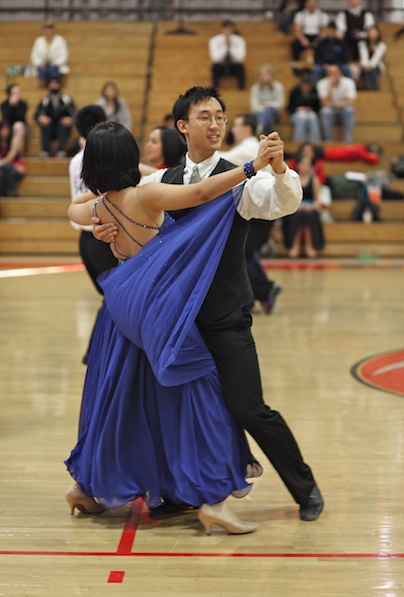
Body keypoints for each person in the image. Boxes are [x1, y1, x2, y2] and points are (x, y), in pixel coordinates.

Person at [93, 86, 324, 522]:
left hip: (223, 314)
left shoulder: (241, 179)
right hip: (175, 322)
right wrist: (99, 229)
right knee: (176, 408)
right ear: (183, 126)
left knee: (247, 407)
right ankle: (181, 492)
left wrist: (280, 168)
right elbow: (112, 208)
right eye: (205, 117)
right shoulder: (160, 182)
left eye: (220, 116)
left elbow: (283, 202)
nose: (215, 124)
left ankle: (305, 486)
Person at [65, 120, 283, 534]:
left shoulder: (100, 207)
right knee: (203, 398)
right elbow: (200, 193)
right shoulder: (146, 195)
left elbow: (73, 207)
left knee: (122, 403)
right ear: (130, 157)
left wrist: (95, 224)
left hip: (120, 314)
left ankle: (86, 489)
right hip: (159, 311)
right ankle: (214, 500)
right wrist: (251, 167)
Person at [69, 105, 118, 364]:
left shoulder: (75, 160)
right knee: (114, 296)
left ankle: (98, 351)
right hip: (102, 236)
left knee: (110, 297)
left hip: (85, 240)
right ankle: (95, 351)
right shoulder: (101, 157)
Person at [220, 113, 282, 314]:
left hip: (259, 211)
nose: (232, 129)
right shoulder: (249, 147)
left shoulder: (249, 147)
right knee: (245, 253)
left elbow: (217, 161)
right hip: (258, 210)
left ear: (247, 129)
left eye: (236, 125)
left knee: (239, 254)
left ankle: (265, 290)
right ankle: (253, 296)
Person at [282, 155, 324, 257]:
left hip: (309, 209)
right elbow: (287, 199)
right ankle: (294, 245)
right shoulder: (292, 180)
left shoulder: (314, 180)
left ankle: (309, 245)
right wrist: (296, 207)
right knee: (298, 216)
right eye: (303, 164)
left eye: (308, 164)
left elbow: (317, 202)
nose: (305, 166)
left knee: (308, 216)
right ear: (298, 165)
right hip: (294, 209)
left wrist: (310, 207)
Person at [34, 77, 76, 157]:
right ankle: (45, 151)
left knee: (62, 125)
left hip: (63, 128)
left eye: (55, 84)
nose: (53, 86)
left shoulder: (66, 99)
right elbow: (36, 114)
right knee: (45, 126)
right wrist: (41, 118)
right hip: (50, 128)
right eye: (51, 84)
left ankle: (60, 151)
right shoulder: (45, 100)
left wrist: (70, 119)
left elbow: (74, 113)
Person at [317, 64, 357, 142]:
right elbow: (324, 102)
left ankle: (348, 140)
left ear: (340, 73)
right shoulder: (322, 83)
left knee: (349, 110)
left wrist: (335, 105)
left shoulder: (349, 82)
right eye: (330, 73)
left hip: (343, 110)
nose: (332, 75)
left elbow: (351, 101)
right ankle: (328, 139)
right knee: (325, 111)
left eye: (334, 73)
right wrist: (331, 88)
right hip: (331, 111)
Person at [30, 21, 70, 88]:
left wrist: (56, 63)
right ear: (43, 30)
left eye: (49, 29)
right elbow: (34, 56)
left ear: (53, 30)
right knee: (43, 71)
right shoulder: (38, 41)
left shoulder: (60, 40)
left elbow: (64, 55)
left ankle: (54, 86)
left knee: (53, 71)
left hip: (55, 65)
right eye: (46, 29)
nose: (48, 31)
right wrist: (40, 63)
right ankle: (42, 87)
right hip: (42, 66)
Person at [208, 21, 246, 90]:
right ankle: (215, 89)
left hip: (234, 65)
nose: (228, 31)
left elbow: (240, 58)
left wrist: (230, 46)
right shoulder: (214, 40)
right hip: (221, 65)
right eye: (226, 29)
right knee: (215, 67)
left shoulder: (239, 40)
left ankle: (241, 90)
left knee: (240, 67)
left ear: (233, 29)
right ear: (221, 29)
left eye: (230, 28)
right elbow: (215, 58)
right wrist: (225, 46)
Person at [312, 20, 352, 84]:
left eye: (333, 30)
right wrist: (325, 65)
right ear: (327, 31)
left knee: (346, 69)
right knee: (317, 70)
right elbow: (317, 58)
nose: (331, 32)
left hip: (338, 65)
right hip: (324, 65)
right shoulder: (321, 43)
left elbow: (345, 57)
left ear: (335, 31)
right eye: (330, 30)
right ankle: (315, 88)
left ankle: (351, 87)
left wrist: (336, 65)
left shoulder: (341, 43)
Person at [250, 64, 285, 135]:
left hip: (274, 114)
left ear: (271, 75)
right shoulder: (255, 88)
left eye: (266, 75)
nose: (264, 77)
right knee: (267, 114)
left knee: (269, 111)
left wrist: (267, 105)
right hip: (259, 114)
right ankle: (269, 136)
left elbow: (280, 104)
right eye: (262, 75)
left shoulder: (278, 86)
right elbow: (254, 106)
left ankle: (260, 127)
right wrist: (265, 109)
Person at [287, 72, 321, 142]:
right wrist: (298, 109)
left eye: (308, 86)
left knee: (313, 117)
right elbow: (289, 108)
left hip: (310, 113)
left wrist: (311, 109)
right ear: (301, 85)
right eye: (305, 85)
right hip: (296, 114)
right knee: (302, 117)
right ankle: (298, 142)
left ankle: (315, 142)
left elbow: (318, 107)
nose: (306, 88)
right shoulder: (294, 92)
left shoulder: (314, 91)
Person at [356, 25, 387, 90]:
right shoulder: (362, 44)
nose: (372, 34)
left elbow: (376, 58)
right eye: (371, 32)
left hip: (376, 66)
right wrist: (366, 65)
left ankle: (373, 87)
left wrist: (370, 66)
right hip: (364, 66)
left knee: (373, 69)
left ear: (378, 34)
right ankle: (369, 88)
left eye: (374, 32)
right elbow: (363, 56)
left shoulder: (382, 45)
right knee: (366, 70)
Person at [0, 119, 26, 197]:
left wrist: (4, 163)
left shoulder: (14, 140)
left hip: (16, 166)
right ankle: (12, 190)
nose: (4, 131)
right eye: (3, 129)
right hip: (7, 168)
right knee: (3, 173)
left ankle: (7, 192)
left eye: (6, 129)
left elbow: (10, 157)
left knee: (5, 171)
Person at [1, 84, 28, 155]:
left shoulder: (23, 104)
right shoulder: (4, 104)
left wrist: (14, 106)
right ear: (10, 94)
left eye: (18, 92)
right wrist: (11, 106)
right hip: (8, 125)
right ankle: (3, 150)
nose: (17, 94)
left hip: (20, 125)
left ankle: (17, 154)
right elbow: (6, 117)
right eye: (15, 92)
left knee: (17, 126)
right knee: (4, 127)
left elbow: (20, 117)